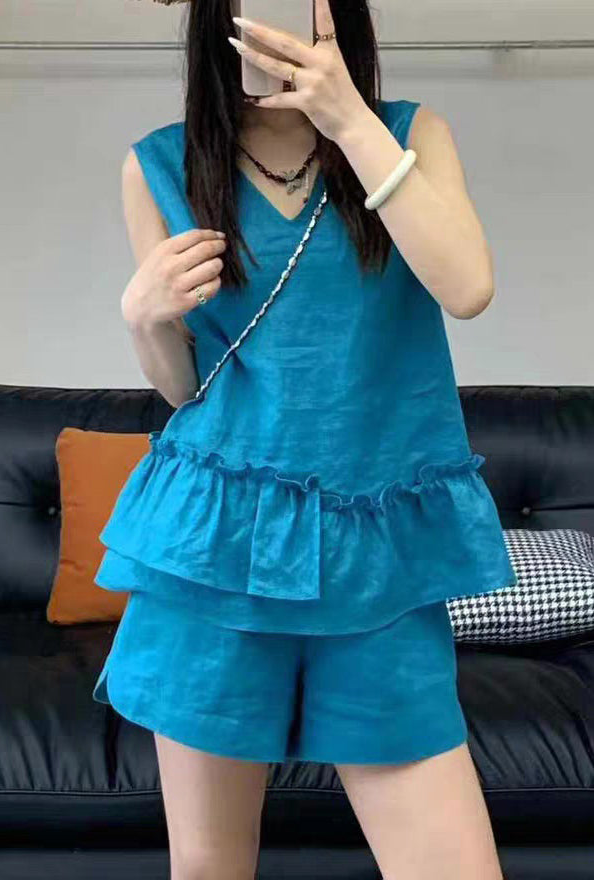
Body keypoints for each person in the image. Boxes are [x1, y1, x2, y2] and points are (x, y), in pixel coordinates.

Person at [92, 1, 517, 877]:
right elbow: (186, 388)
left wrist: (350, 120)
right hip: (213, 550)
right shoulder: (160, 165)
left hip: (380, 559)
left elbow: (469, 286)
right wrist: (143, 317)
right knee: (209, 868)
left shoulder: (409, 135)